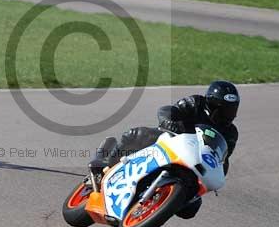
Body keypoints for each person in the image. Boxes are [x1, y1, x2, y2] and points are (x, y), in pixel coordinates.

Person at [89, 80, 240, 219]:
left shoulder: (231, 132)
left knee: (191, 208)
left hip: (195, 160)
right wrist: (171, 122)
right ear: (211, 104)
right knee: (135, 135)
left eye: (231, 110)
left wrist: (218, 171)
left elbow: (223, 156)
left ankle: (158, 203)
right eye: (223, 110)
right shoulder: (195, 103)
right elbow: (168, 111)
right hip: (172, 140)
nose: (227, 115)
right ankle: (106, 162)